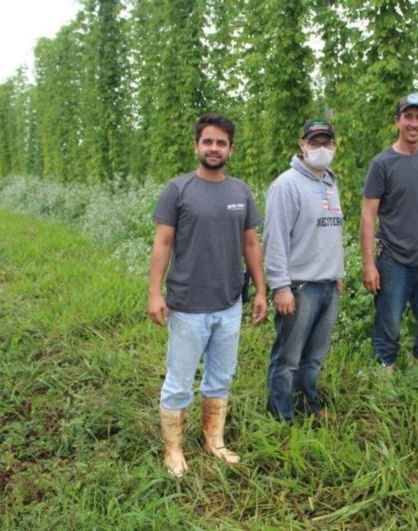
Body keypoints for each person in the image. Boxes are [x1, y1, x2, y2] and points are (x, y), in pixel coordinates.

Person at [147, 113, 267, 476]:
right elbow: (163, 242)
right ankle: (174, 449)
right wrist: (155, 293)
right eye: (208, 142)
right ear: (196, 146)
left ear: (231, 149)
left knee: (221, 377)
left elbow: (250, 243)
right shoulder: (178, 190)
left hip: (229, 303)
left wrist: (261, 290)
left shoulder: (240, 192)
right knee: (179, 380)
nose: (214, 148)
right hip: (187, 305)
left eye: (221, 143)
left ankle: (213, 440)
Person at [360, 93, 418, 372]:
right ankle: (384, 373)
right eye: (407, 117)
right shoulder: (382, 163)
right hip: (393, 260)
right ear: (397, 121)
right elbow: (368, 214)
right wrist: (369, 264)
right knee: (389, 322)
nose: (414, 123)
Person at [263, 119, 344, 422]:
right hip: (300, 286)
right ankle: (281, 415)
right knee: (288, 358)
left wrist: (337, 273)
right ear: (302, 144)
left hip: (327, 285)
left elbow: (328, 232)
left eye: (327, 143)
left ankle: (307, 405)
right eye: (315, 142)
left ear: (334, 146)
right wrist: (281, 286)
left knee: (314, 358)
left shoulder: (330, 182)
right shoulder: (286, 185)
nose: (321, 149)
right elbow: (275, 239)